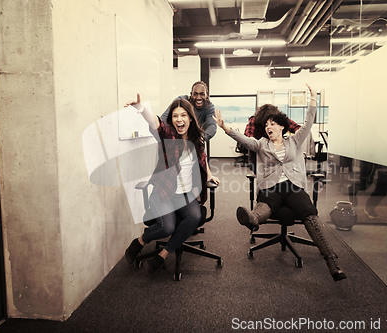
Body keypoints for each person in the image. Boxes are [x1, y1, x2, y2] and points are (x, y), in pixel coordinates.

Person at [214, 84, 346, 281]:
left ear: (282, 126)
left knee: (309, 214)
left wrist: (312, 99)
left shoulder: (295, 141)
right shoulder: (261, 144)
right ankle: (252, 219)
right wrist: (225, 127)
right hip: (270, 185)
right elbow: (242, 138)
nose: (269, 127)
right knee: (266, 203)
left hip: (293, 185)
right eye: (266, 125)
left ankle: (332, 262)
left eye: (273, 124)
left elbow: (309, 122)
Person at [124, 94, 220, 273]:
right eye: (175, 116)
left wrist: (208, 175)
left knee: (195, 216)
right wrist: (143, 108)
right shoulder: (168, 136)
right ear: (172, 120)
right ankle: (140, 241)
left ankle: (163, 255)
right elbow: (156, 124)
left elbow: (202, 158)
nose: (179, 119)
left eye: (183, 115)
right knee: (167, 227)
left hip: (185, 194)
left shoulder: (197, 140)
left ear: (190, 118)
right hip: (163, 192)